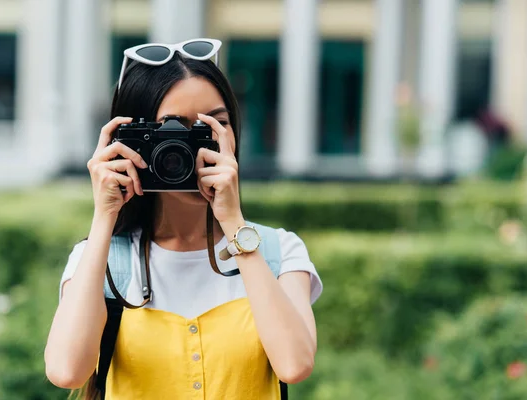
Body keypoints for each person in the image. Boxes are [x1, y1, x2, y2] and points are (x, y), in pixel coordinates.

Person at [44, 38, 323, 400]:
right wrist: (104, 217)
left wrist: (234, 222)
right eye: (169, 130)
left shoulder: (278, 252)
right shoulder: (101, 260)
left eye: (210, 128)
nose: (192, 150)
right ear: (129, 140)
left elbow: (295, 364)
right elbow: (66, 371)